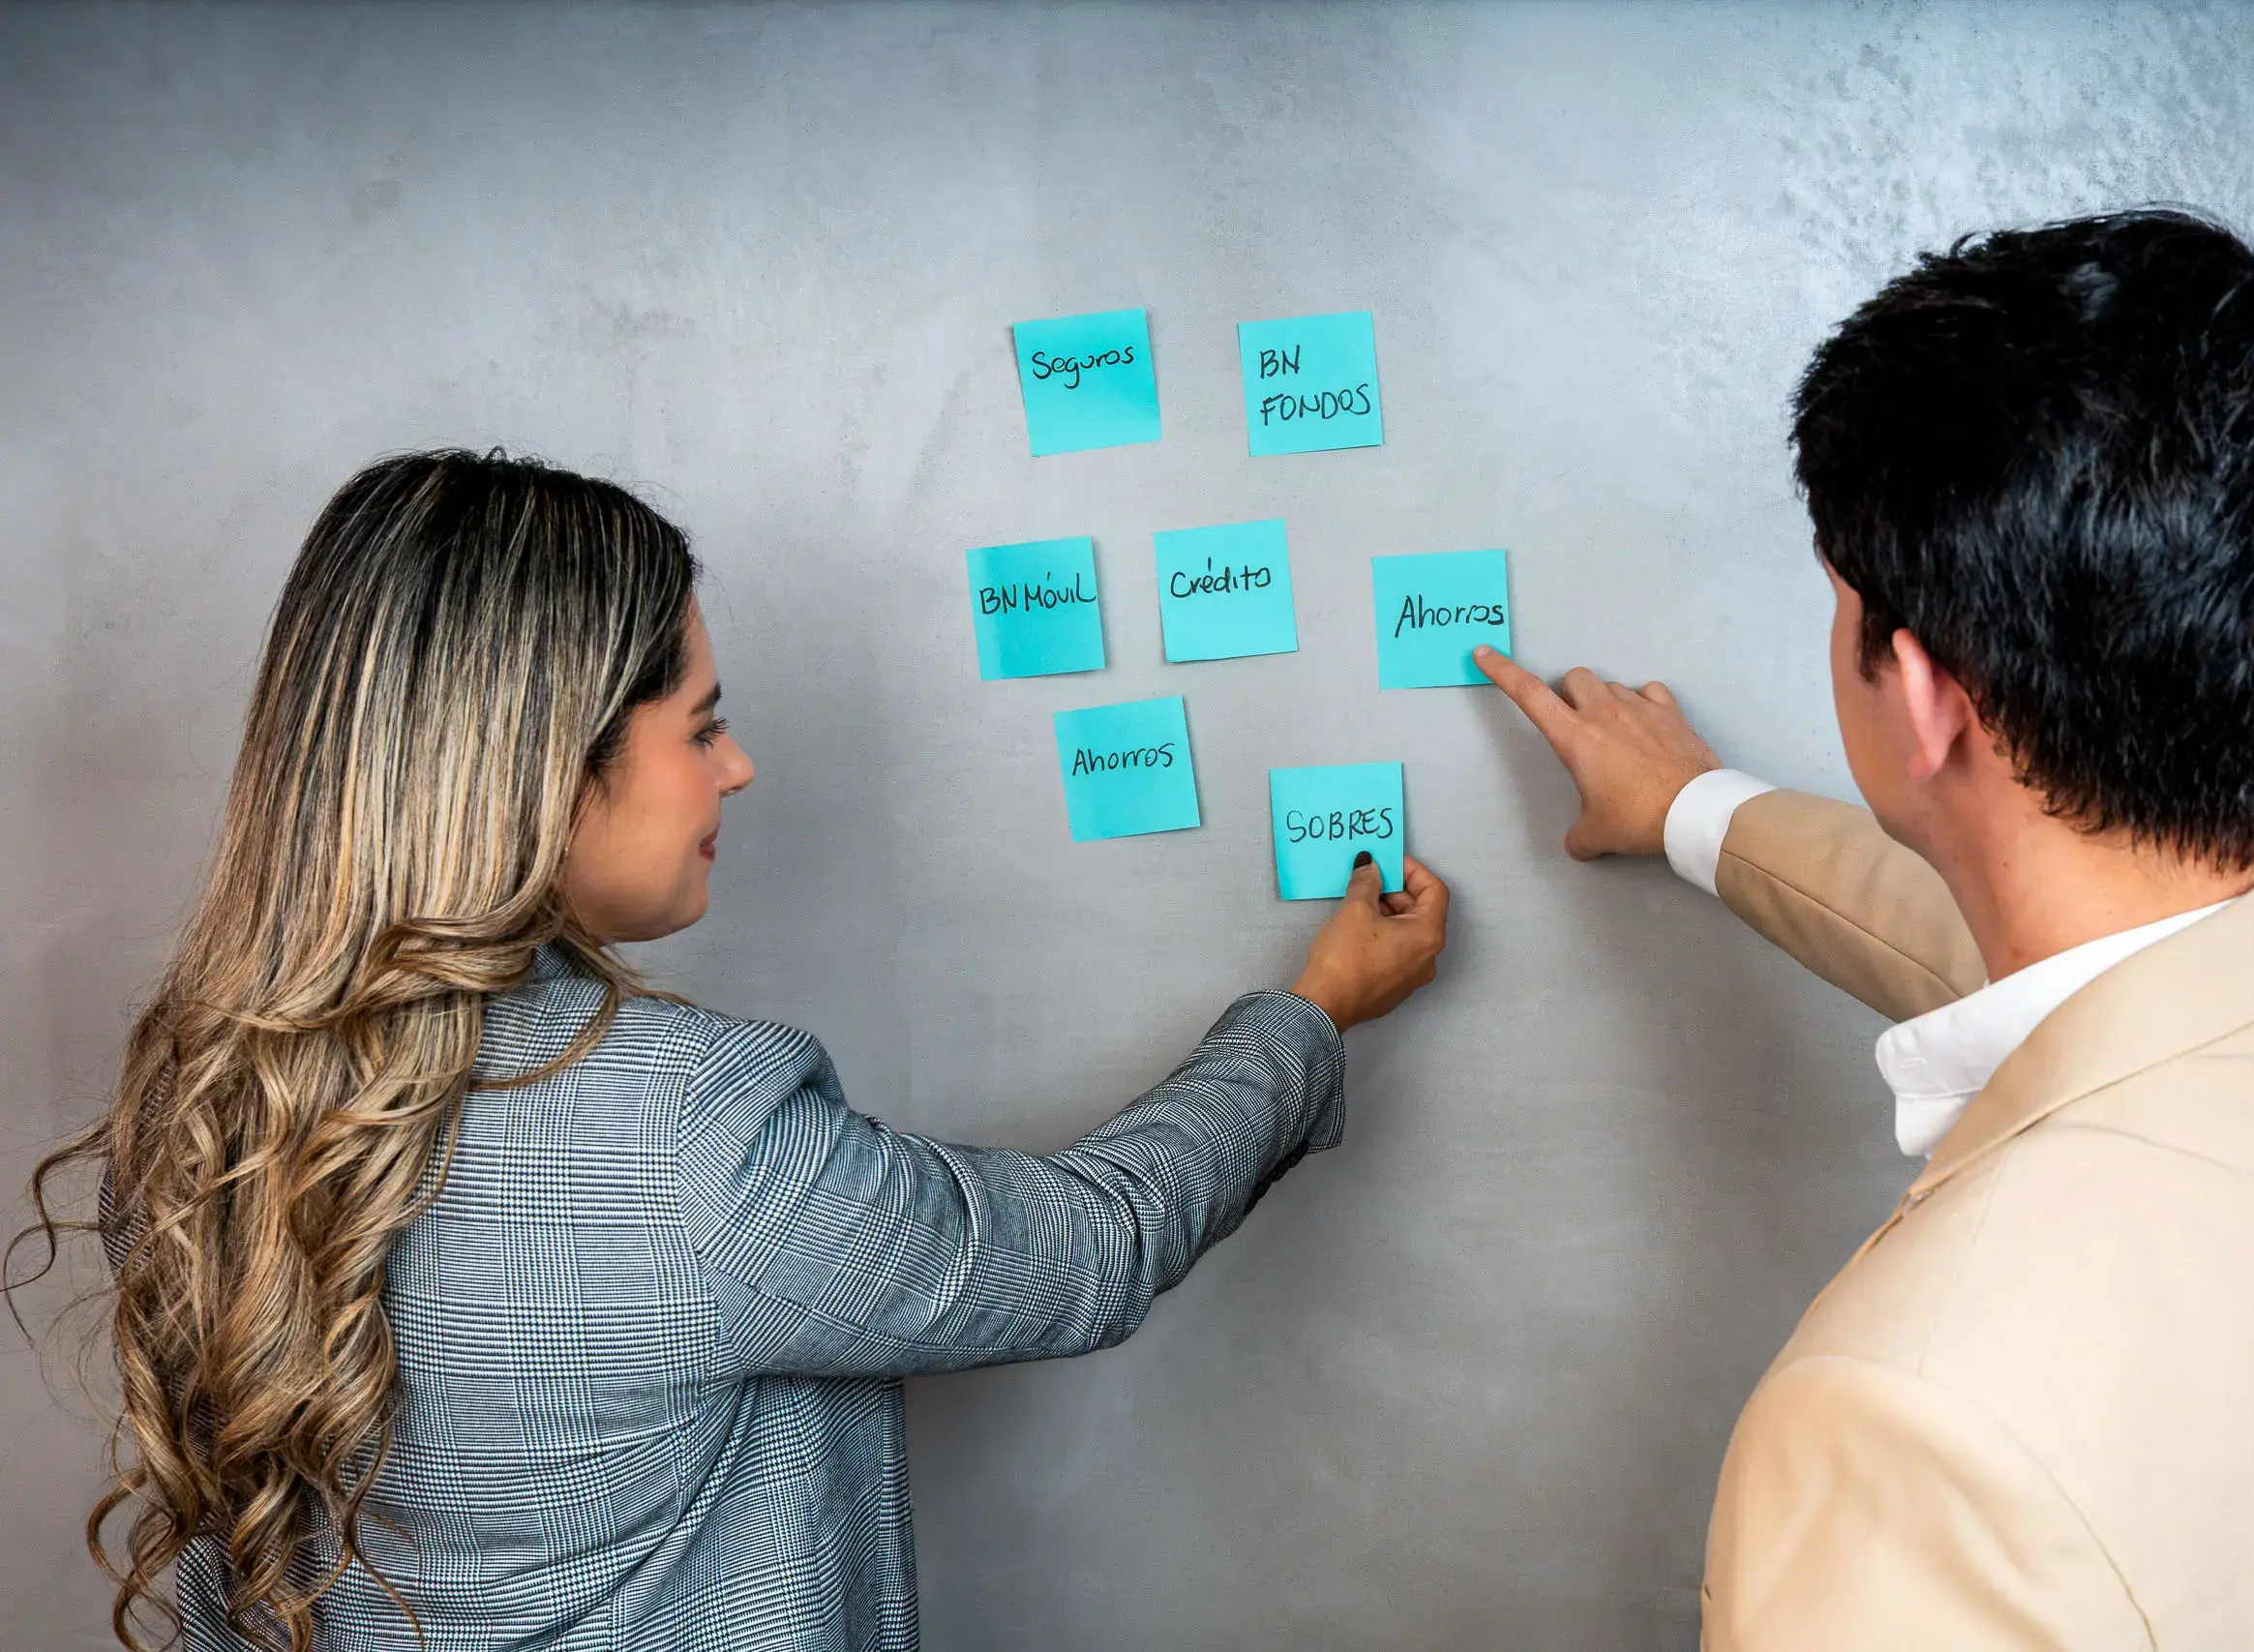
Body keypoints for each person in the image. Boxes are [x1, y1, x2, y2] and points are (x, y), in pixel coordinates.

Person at [9, 450, 1451, 1652]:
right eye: (702, 724)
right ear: (549, 768)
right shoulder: (685, 1132)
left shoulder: (207, 1099)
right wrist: (1314, 1009)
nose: (738, 766)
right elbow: (1086, 1247)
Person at [1478, 209, 2254, 1648]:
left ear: (1927, 691)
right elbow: (2089, 976)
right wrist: (1696, 809)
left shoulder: (1915, 1422)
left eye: (1843, 608)